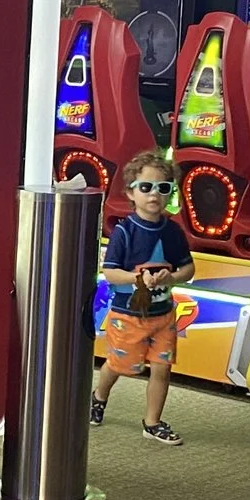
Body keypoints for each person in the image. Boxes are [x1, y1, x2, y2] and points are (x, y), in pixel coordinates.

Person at [91, 150, 194, 446]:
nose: (154, 195)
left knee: (162, 367)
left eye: (163, 188)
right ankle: (99, 395)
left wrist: (172, 277)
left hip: (163, 315)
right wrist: (138, 279)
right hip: (128, 316)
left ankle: (152, 422)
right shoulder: (124, 232)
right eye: (146, 187)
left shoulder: (173, 231)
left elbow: (188, 268)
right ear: (130, 193)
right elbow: (110, 273)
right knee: (121, 365)